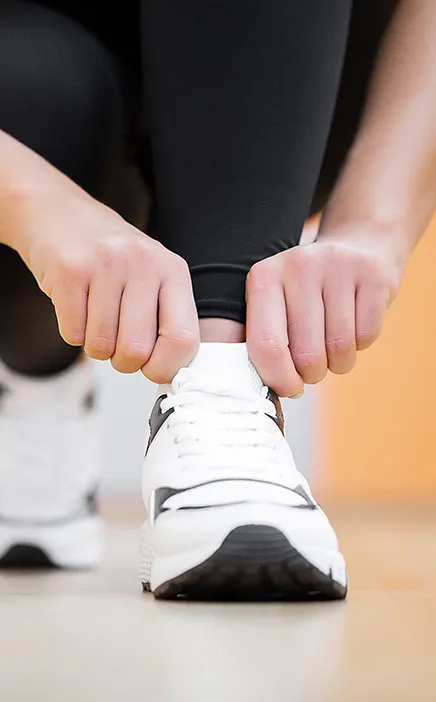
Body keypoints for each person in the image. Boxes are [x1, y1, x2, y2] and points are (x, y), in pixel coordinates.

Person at [0, 0, 430, 599]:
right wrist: (33, 206)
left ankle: (221, 394)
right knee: (33, 96)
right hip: (37, 85)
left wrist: (377, 221)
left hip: (288, 55)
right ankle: (32, 378)